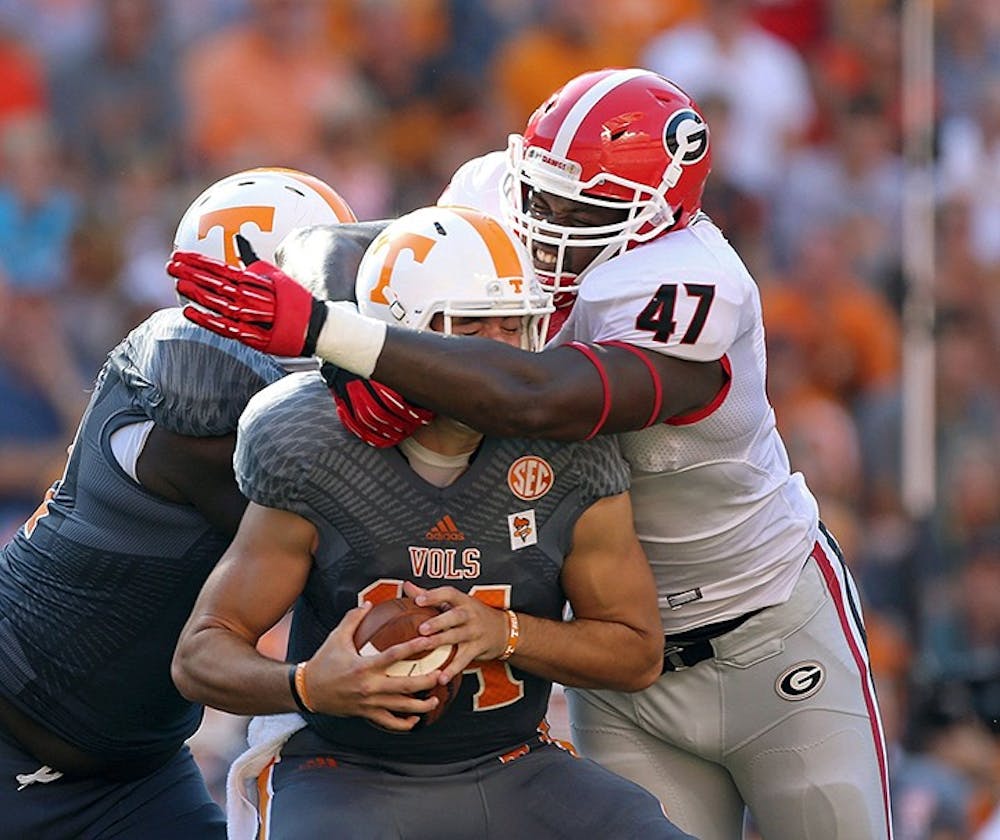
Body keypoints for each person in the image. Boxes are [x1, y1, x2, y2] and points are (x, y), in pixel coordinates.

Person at [169, 68, 894, 840]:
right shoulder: (495, 195)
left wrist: (338, 337)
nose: (546, 221)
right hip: (608, 656)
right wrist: (353, 361)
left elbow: (540, 398)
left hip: (767, 625)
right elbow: (357, 254)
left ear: (659, 214)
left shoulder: (691, 284)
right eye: (541, 195)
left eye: (580, 208)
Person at [170, 205, 691, 840]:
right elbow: (200, 655)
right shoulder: (311, 444)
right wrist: (309, 685)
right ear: (398, 338)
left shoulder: (569, 449)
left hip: (514, 765)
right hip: (345, 769)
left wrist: (506, 632)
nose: (501, 356)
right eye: (473, 327)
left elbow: (637, 652)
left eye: (516, 326)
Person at [0, 167, 356, 839]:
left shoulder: (225, 380)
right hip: (16, 730)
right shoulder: (194, 406)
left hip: (134, 770)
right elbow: (343, 528)